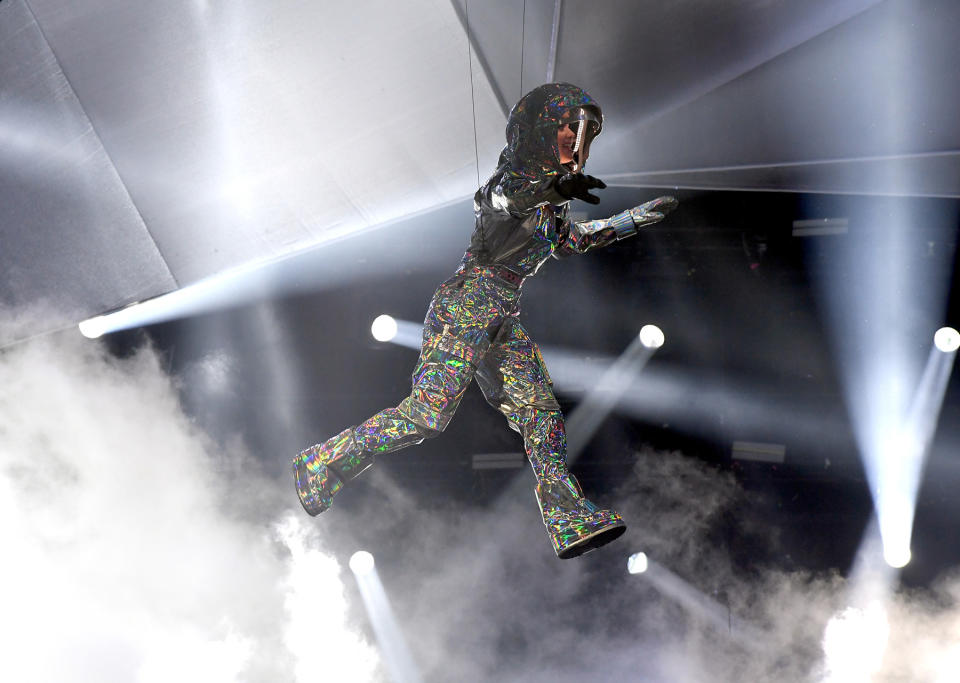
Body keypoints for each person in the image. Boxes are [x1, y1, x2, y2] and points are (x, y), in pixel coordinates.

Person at [293, 83, 677, 559]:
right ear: (538, 129)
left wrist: (635, 219)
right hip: (468, 303)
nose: (575, 139)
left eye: (582, 131)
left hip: (500, 312)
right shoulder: (515, 178)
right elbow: (497, 199)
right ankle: (321, 462)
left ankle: (566, 516)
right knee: (427, 416)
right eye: (567, 126)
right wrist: (553, 188)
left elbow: (574, 240)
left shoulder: (551, 204)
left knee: (540, 413)